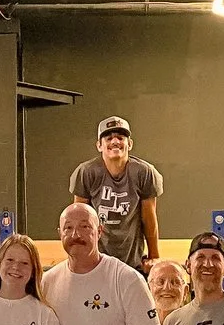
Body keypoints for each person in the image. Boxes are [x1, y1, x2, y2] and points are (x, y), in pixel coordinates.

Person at [68, 113, 164, 269]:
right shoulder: (86, 172)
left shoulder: (145, 172)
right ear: (99, 145)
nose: (115, 141)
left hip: (133, 261)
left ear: (129, 144)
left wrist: (154, 257)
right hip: (96, 260)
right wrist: (78, 257)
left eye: (120, 137)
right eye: (108, 138)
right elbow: (79, 218)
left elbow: (149, 218)